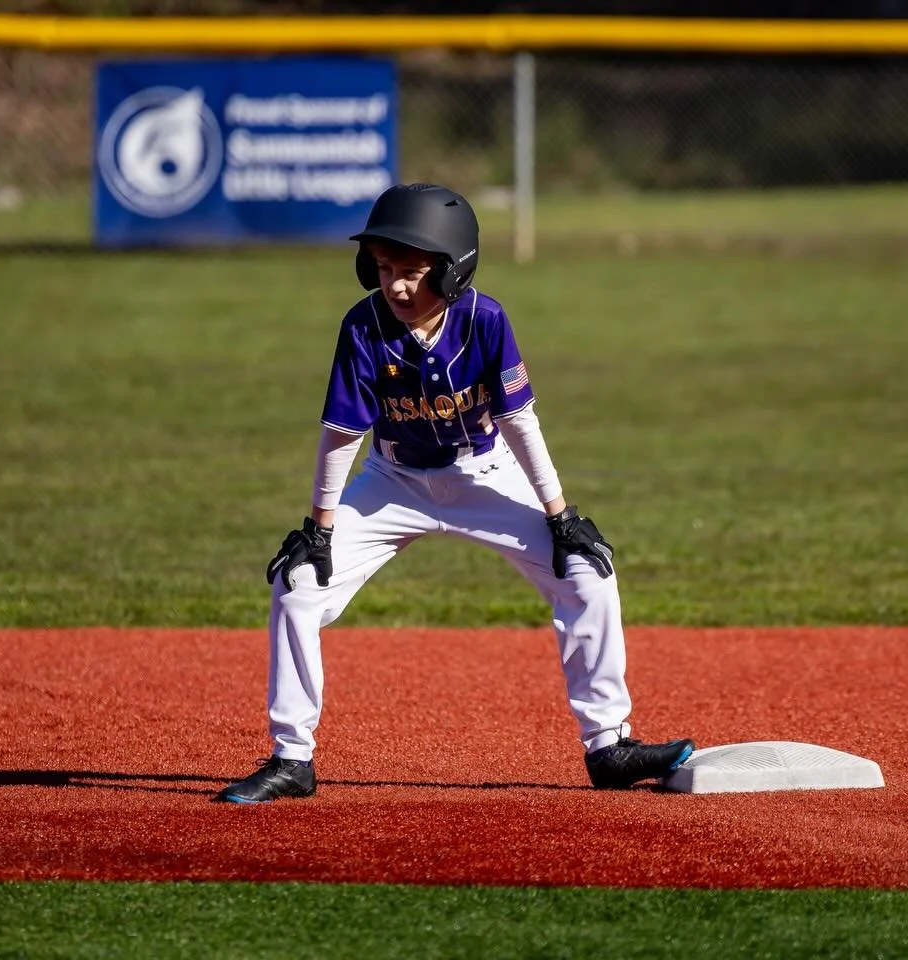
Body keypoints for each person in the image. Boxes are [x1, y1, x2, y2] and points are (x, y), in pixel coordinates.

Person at [216, 182, 694, 804]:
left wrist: (560, 514)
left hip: (485, 474)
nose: (397, 286)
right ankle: (292, 758)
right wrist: (319, 528)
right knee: (297, 586)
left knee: (586, 574)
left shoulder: (485, 319)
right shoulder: (363, 328)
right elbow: (341, 434)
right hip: (392, 481)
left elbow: (520, 420)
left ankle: (608, 745)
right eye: (384, 269)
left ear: (454, 270)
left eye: (414, 272)